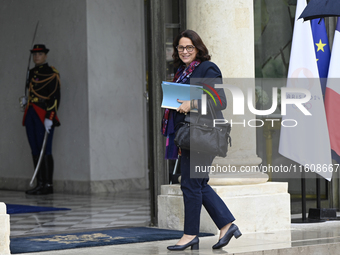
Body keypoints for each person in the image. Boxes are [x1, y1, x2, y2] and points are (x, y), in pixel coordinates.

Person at [162, 30, 241, 251]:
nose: (185, 51)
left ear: (198, 49)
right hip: (189, 136)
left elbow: (220, 99)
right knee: (198, 183)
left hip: (203, 135)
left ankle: (190, 235)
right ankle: (227, 226)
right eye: (181, 48)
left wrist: (192, 103)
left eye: (189, 47)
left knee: (190, 183)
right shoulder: (181, 72)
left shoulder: (208, 68)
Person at [23, 44, 61, 195]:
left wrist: (50, 117)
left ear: (45, 56)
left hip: (42, 113)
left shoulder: (51, 72)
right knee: (34, 148)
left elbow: (55, 96)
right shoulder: (31, 72)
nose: (36, 57)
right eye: (34, 54)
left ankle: (48, 184)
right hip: (31, 112)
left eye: (39, 54)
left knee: (45, 149)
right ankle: (40, 183)